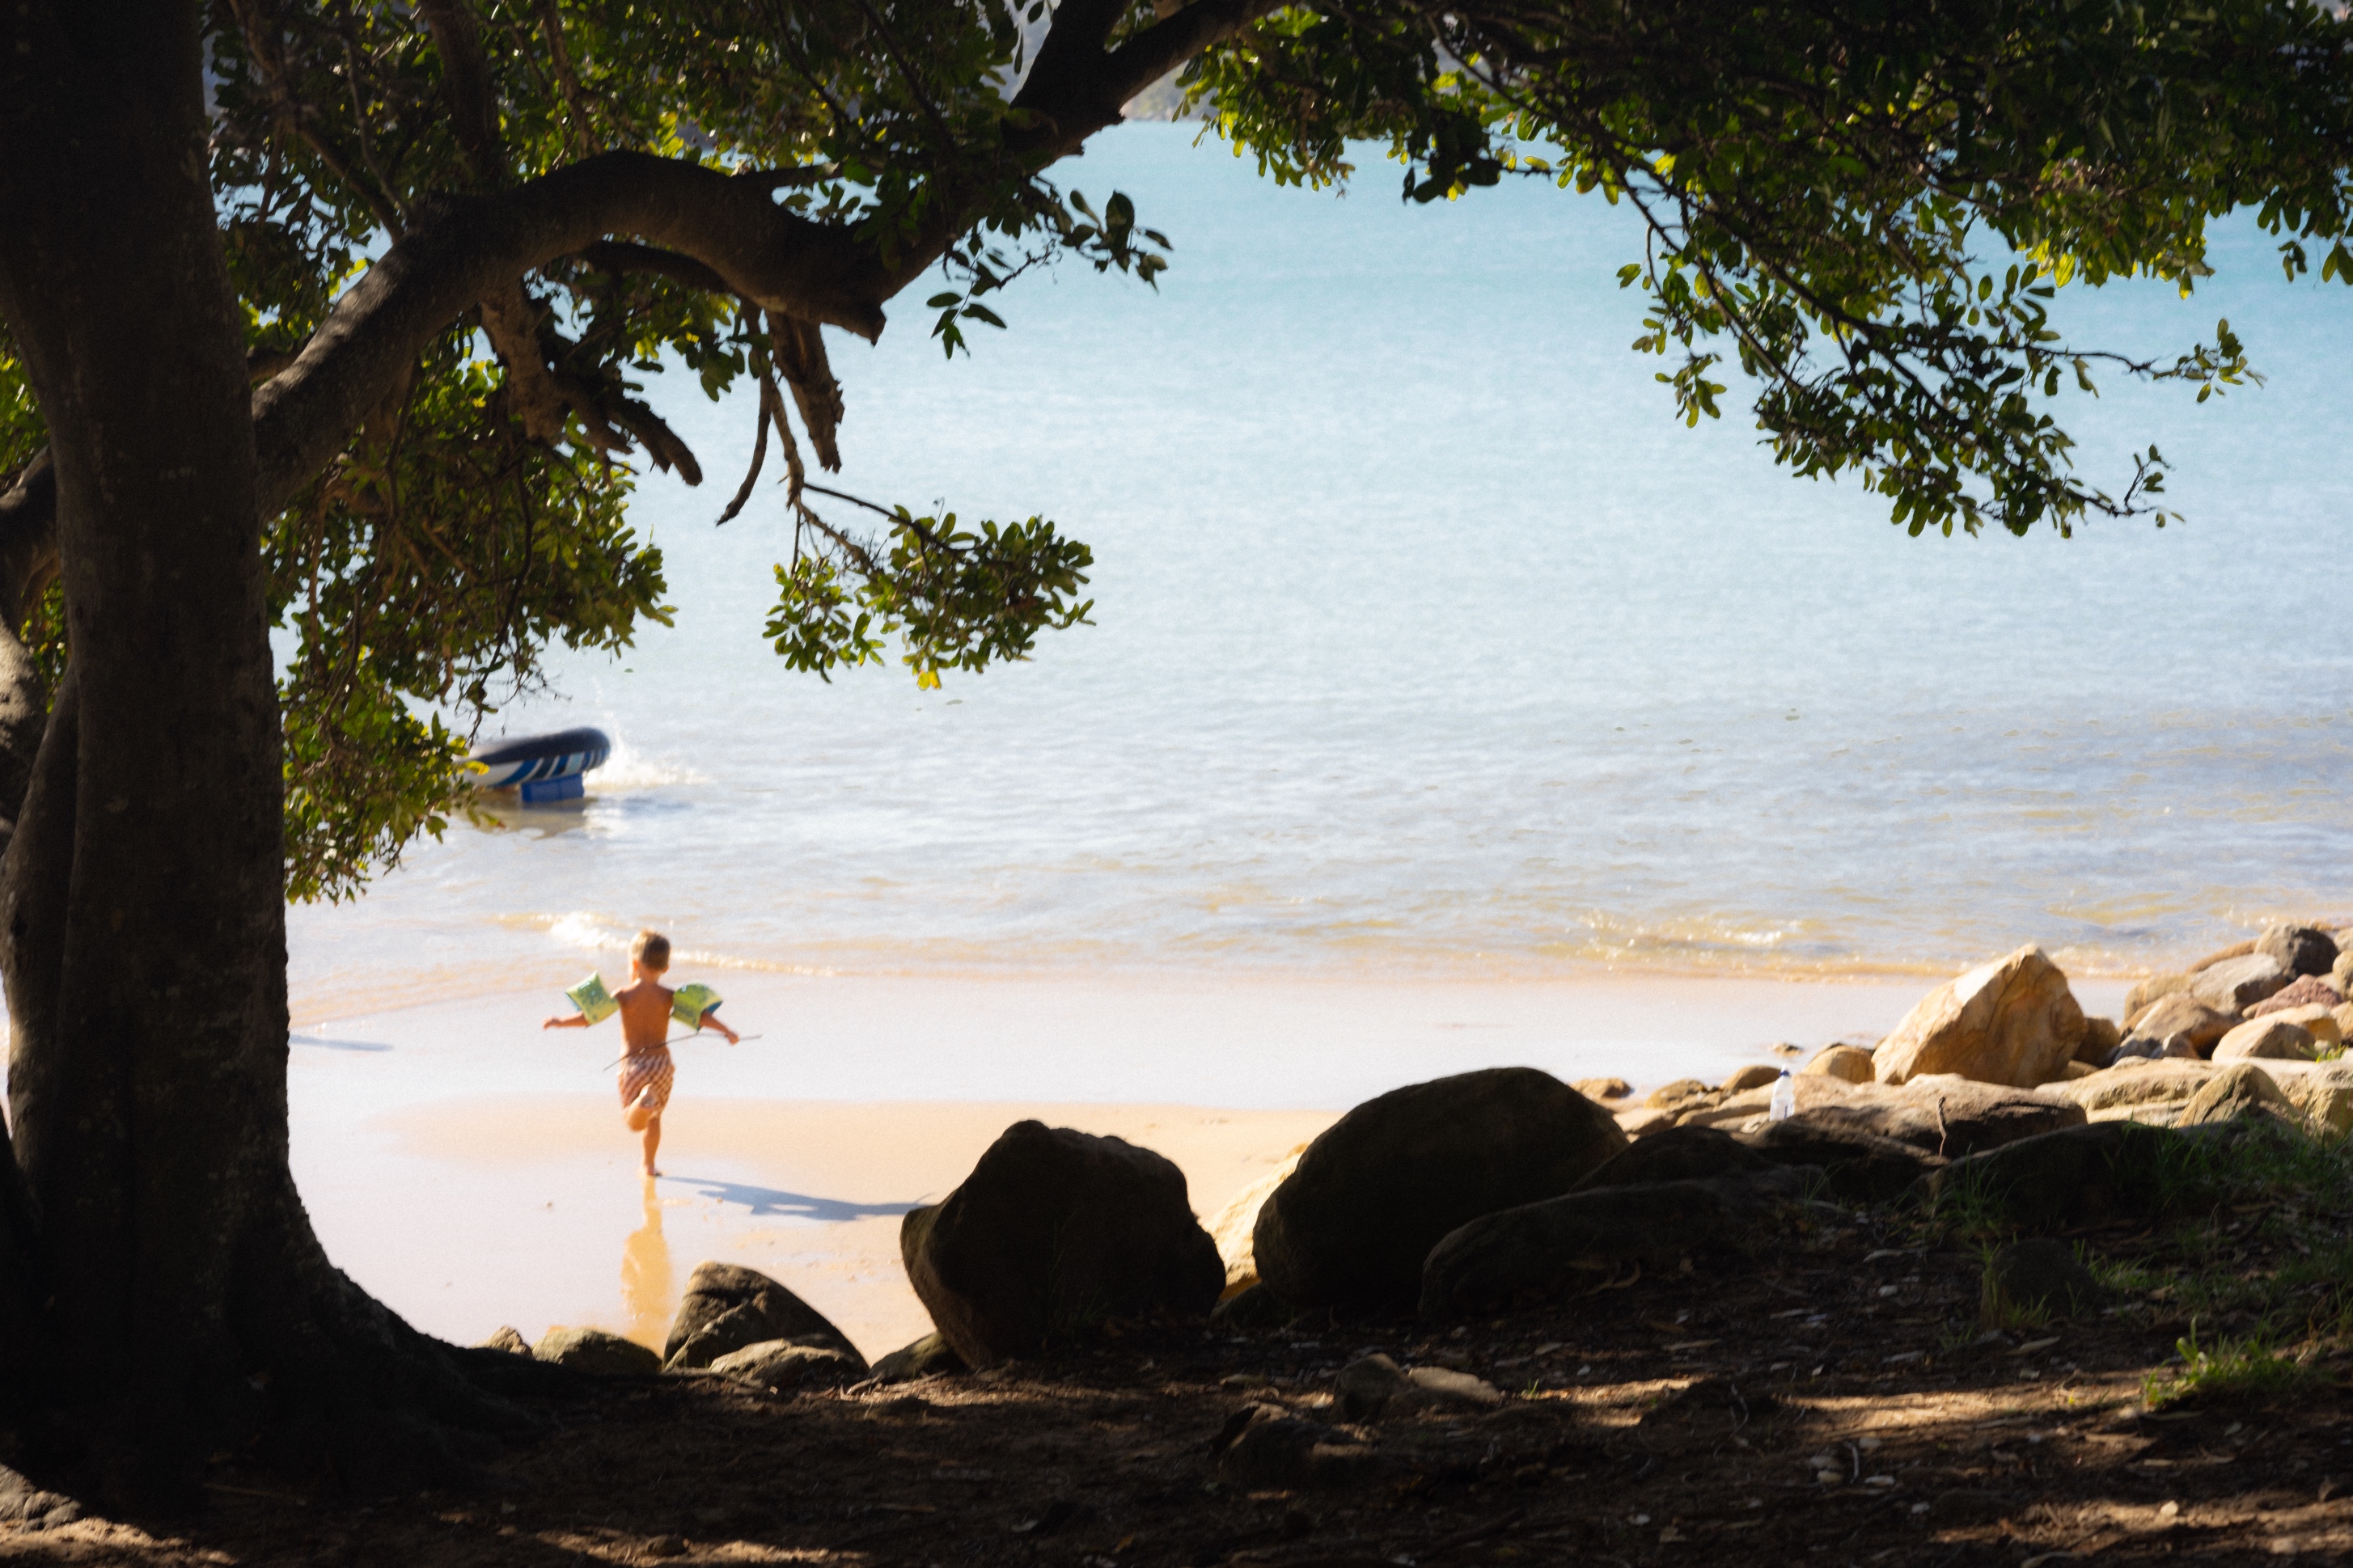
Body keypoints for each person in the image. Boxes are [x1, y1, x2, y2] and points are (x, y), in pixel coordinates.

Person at [544, 929, 737, 1175]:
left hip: (634, 1065)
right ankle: (649, 1164)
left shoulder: (624, 995)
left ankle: (642, 1098)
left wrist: (560, 1021)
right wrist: (727, 1031)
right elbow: (701, 1016)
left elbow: (590, 1018)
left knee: (633, 1120)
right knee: (654, 1117)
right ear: (665, 968)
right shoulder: (669, 996)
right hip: (662, 1066)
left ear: (634, 964)